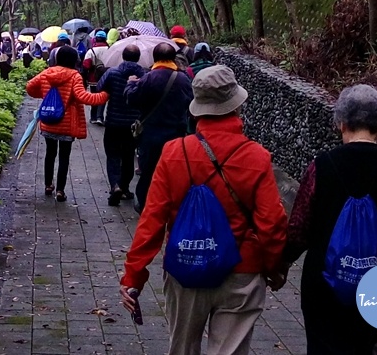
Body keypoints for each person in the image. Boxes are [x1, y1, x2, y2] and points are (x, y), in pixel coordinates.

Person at [120, 66, 288, 355]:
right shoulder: (257, 157)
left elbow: (152, 219)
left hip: (185, 265)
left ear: (197, 108)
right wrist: (274, 268)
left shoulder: (173, 152)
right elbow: (272, 223)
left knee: (182, 348)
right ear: (236, 104)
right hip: (242, 271)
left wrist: (134, 276)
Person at [276, 84, 377, 355]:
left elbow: (299, 229)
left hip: (323, 288)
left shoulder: (322, 166)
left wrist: (281, 263)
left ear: (341, 123)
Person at [25, 45, 108, 202]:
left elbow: (29, 86)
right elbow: (84, 97)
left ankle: (48, 185)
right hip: (67, 124)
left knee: (50, 154)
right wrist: (105, 95)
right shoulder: (74, 76)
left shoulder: (47, 73)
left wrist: (44, 95)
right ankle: (60, 191)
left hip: (48, 121)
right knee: (64, 156)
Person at [124, 41, 193, 211]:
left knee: (148, 171)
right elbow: (191, 104)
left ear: (155, 58)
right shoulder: (184, 79)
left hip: (151, 135)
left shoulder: (148, 78)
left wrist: (131, 84)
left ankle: (145, 204)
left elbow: (131, 100)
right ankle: (171, 203)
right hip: (177, 134)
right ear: (173, 58)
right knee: (173, 171)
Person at [99, 43, 147, 204]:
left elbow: (99, 87)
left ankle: (115, 186)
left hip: (113, 121)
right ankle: (124, 187)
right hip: (133, 124)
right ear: (139, 58)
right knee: (128, 156)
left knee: (112, 155)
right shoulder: (145, 76)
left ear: (123, 57)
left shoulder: (112, 73)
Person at [87, 30, 110, 124]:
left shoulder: (91, 51)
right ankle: (100, 117)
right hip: (106, 77)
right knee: (103, 97)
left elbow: (86, 65)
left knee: (94, 96)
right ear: (105, 39)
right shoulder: (110, 49)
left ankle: (93, 117)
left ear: (95, 39)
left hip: (93, 78)